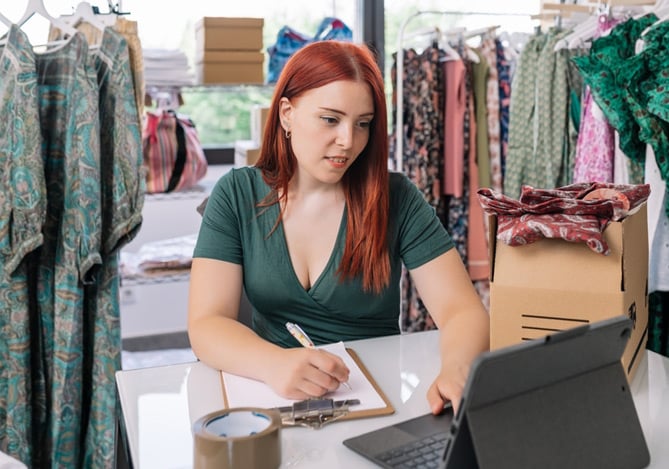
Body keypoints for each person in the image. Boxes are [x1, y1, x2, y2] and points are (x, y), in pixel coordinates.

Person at [187, 40, 489, 414]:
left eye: (363, 124)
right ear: (286, 114)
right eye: (330, 119)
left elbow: (462, 311)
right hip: (270, 396)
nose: (348, 141)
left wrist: (457, 372)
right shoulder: (236, 194)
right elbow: (206, 322)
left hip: (376, 399)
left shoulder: (397, 198)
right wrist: (273, 364)